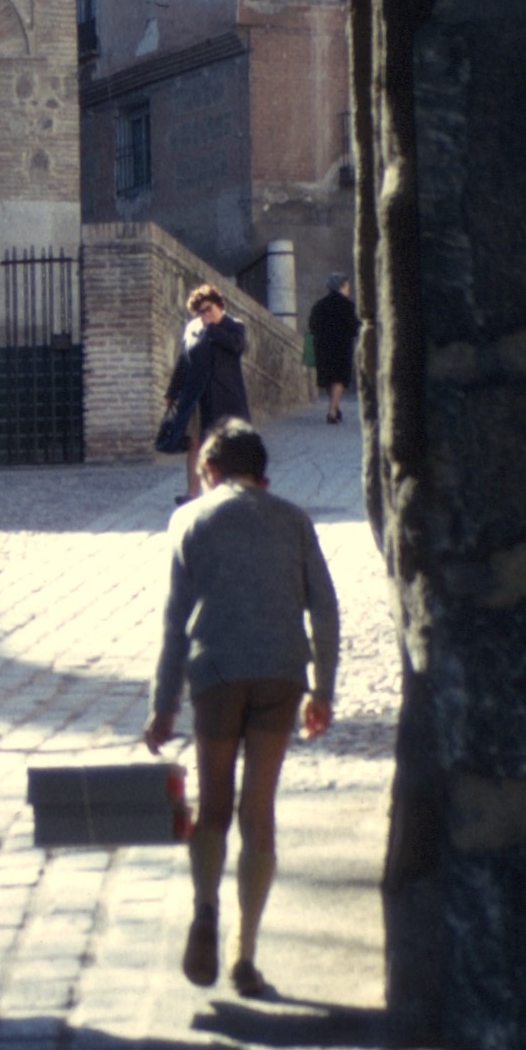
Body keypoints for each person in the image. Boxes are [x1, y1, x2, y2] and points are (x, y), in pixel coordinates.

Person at [144, 417, 339, 997]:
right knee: (259, 811)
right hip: (281, 672)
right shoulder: (294, 520)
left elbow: (174, 623)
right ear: (264, 477)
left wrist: (163, 705)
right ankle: (244, 954)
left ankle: (205, 908)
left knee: (214, 805)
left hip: (216, 674)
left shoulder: (190, 519)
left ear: (208, 472)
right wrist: (322, 690)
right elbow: (325, 610)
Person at [163, 284, 249, 500]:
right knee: (195, 443)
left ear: (220, 305)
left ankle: (228, 493)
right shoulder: (193, 328)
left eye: (208, 309)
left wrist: (212, 330)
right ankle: (192, 494)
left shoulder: (235, 327)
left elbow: (237, 346)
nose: (205, 315)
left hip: (225, 396)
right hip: (196, 397)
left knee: (226, 445)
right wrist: (173, 391)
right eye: (200, 312)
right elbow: (184, 361)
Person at [308, 271, 358, 424]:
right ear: (341, 286)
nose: (349, 289)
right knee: (339, 378)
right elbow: (354, 326)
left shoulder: (319, 305)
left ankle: (334, 407)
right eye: (348, 285)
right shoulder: (348, 305)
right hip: (341, 346)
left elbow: (312, 325)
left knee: (329, 378)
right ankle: (332, 410)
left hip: (322, 346)